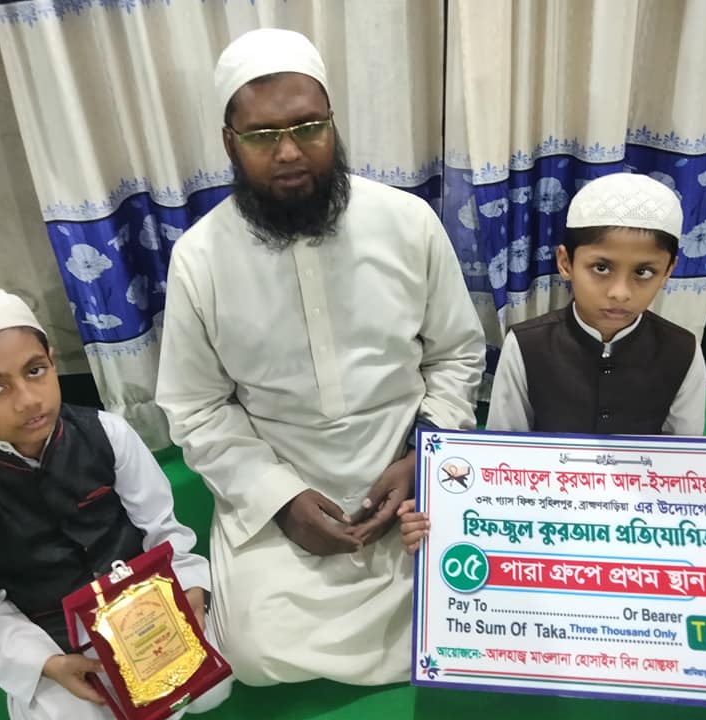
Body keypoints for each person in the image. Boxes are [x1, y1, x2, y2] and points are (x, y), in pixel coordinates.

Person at [155, 28, 485, 686]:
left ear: (333, 123)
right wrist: (279, 501)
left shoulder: (407, 222)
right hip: (285, 469)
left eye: (308, 127)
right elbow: (196, 407)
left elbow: (456, 354)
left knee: (476, 606)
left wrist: (423, 456)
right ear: (230, 143)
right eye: (262, 135)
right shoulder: (200, 257)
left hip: (404, 467)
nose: (289, 152)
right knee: (252, 655)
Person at [0, 288, 230, 720]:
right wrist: (47, 663)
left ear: (52, 362)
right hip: (54, 637)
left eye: (35, 371)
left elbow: (161, 528)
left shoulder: (109, 434)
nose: (28, 399)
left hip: (143, 609)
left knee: (214, 687)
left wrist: (188, 587)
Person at [400, 172, 706, 553]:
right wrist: (443, 514)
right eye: (601, 268)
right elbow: (502, 458)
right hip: (543, 529)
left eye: (644, 272)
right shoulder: (527, 345)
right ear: (566, 262)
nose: (620, 292)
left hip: (641, 531)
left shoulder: (683, 351)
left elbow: (686, 467)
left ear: (668, 271)